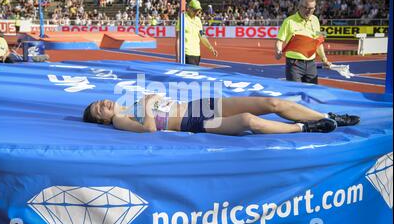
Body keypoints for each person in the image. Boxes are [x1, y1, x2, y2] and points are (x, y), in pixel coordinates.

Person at [83, 95, 360, 136]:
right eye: (99, 109)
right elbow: (150, 130)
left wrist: (149, 101)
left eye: (99, 102)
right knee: (248, 121)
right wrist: (148, 105)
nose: (103, 103)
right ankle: (305, 128)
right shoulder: (119, 121)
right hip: (194, 121)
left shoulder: (126, 100)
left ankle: (327, 114)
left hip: (199, 104)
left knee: (270, 103)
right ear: (102, 120)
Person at [275, 0, 332, 84]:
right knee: (295, 93)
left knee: (312, 92)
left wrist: (324, 59)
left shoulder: (315, 20)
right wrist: (278, 51)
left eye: (312, 9)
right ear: (299, 6)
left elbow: (318, 42)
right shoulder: (289, 21)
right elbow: (280, 40)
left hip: (311, 64)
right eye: (306, 8)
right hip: (294, 64)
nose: (309, 11)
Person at [176, 0, 218, 66]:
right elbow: (178, 39)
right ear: (189, 8)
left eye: (198, 10)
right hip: (186, 54)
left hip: (196, 55)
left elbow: (202, 36)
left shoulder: (198, 20)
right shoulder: (182, 19)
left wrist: (211, 48)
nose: (196, 12)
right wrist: (178, 57)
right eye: (195, 10)